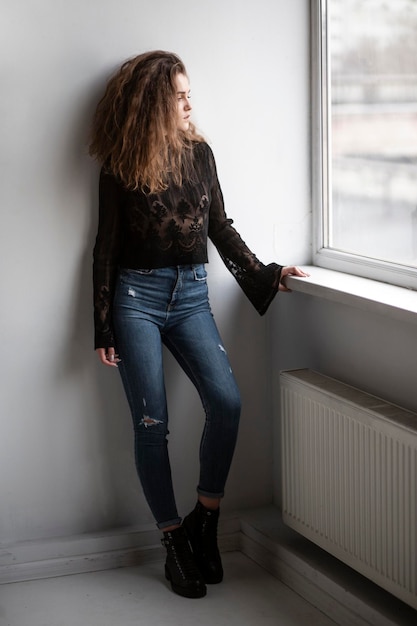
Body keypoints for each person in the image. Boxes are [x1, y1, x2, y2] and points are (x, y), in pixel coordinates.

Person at [89, 50, 308, 599]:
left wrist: (265, 274)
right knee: (151, 424)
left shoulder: (201, 154)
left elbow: (220, 228)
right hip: (135, 299)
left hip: (190, 296)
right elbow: (105, 248)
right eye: (179, 94)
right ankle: (172, 542)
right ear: (153, 104)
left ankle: (204, 520)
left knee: (227, 402)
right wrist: (103, 326)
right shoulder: (119, 164)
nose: (189, 102)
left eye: (189, 93)